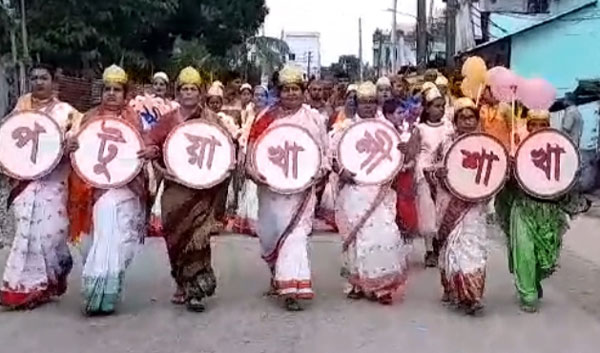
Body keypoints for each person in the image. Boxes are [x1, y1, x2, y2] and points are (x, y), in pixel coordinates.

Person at [68, 64, 158, 315]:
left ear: (125, 93)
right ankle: (96, 288)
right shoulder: (87, 119)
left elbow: (147, 147)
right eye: (107, 89)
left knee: (119, 239)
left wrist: (150, 152)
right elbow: (77, 153)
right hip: (92, 190)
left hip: (126, 189)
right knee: (92, 242)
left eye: (116, 89)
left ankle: (107, 291)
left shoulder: (134, 120)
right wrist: (71, 147)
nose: (111, 94)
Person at [247, 65, 329, 311]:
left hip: (302, 191)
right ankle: (279, 275)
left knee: (296, 236)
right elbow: (251, 151)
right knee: (271, 237)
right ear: (279, 92)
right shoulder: (265, 118)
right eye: (286, 90)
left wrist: (320, 171)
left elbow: (325, 152)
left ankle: (292, 288)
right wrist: (253, 171)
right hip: (271, 192)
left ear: (303, 91)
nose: (291, 94)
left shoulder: (314, 118)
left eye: (296, 89)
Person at [147, 66, 229, 312]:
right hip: (175, 189)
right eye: (184, 89)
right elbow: (152, 143)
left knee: (198, 240)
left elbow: (227, 148)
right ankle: (181, 283)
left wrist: (228, 166)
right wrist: (155, 158)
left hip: (202, 190)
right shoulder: (168, 120)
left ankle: (195, 290)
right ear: (177, 92)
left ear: (200, 92)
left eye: (193, 89)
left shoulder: (212, 121)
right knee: (175, 238)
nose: (189, 93)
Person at [0, 64, 81, 310]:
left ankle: (59, 266)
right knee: (25, 232)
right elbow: (6, 142)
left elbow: (79, 142)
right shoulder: (19, 111)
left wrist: (71, 147)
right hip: (25, 184)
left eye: (43, 78)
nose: (38, 82)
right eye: (34, 78)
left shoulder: (67, 113)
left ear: (53, 82)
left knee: (50, 235)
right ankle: (24, 288)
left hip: (55, 181)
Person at [494, 109, 591, 313]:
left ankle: (534, 280)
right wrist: (510, 172)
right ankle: (527, 293)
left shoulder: (560, 150)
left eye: (542, 125)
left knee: (545, 258)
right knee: (525, 252)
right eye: (533, 125)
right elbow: (505, 184)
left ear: (548, 126)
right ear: (527, 127)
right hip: (523, 207)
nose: (537, 129)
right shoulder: (517, 151)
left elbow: (567, 182)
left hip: (548, 211)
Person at [332, 82, 410, 305]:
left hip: (380, 190)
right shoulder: (344, 128)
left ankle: (382, 287)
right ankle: (358, 282)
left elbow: (400, 158)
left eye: (371, 102)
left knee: (384, 234)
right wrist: (342, 171)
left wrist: (407, 151)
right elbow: (333, 157)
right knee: (357, 237)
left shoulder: (387, 128)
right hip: (355, 189)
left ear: (377, 104)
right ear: (356, 104)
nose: (367, 106)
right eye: (363, 102)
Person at [434, 98, 488, 315]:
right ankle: (453, 289)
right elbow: (432, 170)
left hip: (474, 206)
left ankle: (472, 295)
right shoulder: (445, 145)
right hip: (449, 204)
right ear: (455, 121)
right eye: (462, 117)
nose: (467, 122)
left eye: (471, 117)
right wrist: (438, 175)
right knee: (452, 248)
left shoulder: (486, 144)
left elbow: (493, 176)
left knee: (472, 248)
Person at [415, 86, 454, 267]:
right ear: (427, 108)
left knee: (443, 211)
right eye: (436, 106)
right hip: (424, 174)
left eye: (443, 106)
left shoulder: (449, 128)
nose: (440, 109)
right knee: (428, 214)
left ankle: (440, 244)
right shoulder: (420, 128)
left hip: (444, 174)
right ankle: (429, 249)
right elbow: (411, 151)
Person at [382, 99, 419, 238]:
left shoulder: (406, 131)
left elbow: (413, 156)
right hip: (388, 177)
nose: (403, 115)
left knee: (405, 207)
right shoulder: (382, 132)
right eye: (399, 112)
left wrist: (407, 164)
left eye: (404, 112)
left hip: (404, 176)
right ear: (388, 115)